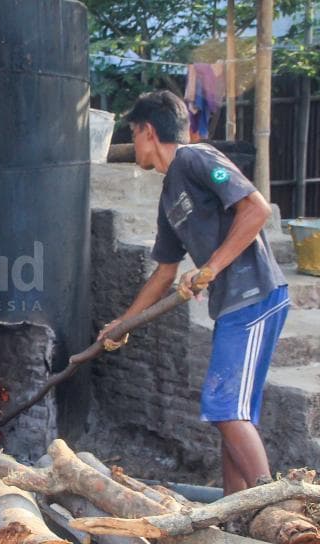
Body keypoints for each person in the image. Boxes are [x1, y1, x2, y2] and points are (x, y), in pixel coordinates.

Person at [98, 90, 289, 497]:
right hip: (233, 304)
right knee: (232, 416)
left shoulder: (197, 159)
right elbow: (164, 272)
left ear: (148, 131)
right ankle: (237, 513)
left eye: (133, 133)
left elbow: (257, 209)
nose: (133, 145)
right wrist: (124, 323)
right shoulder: (170, 197)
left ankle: (278, 506)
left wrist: (210, 268)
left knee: (223, 408)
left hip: (255, 294)